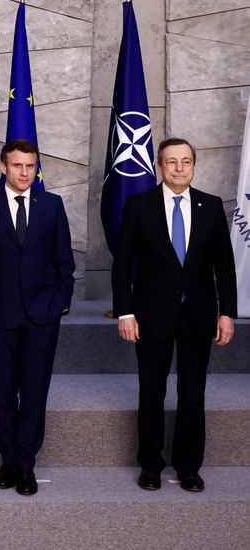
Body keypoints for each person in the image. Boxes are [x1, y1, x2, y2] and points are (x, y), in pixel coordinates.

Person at [112, 137, 237, 493]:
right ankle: (150, 465)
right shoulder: (139, 206)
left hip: (199, 315)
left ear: (194, 165)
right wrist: (125, 312)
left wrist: (227, 312)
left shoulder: (211, 206)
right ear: (160, 166)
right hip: (151, 315)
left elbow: (224, 266)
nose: (179, 168)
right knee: (151, 390)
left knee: (193, 391)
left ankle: (188, 466)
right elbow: (122, 264)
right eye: (172, 162)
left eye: (186, 162)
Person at [0, 139, 74, 496]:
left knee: (36, 391)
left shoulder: (52, 206)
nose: (25, 172)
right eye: (18, 166)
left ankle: (26, 464)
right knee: (4, 390)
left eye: (30, 166)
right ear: (3, 167)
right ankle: (8, 459)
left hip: (43, 316)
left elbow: (65, 263)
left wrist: (60, 303)